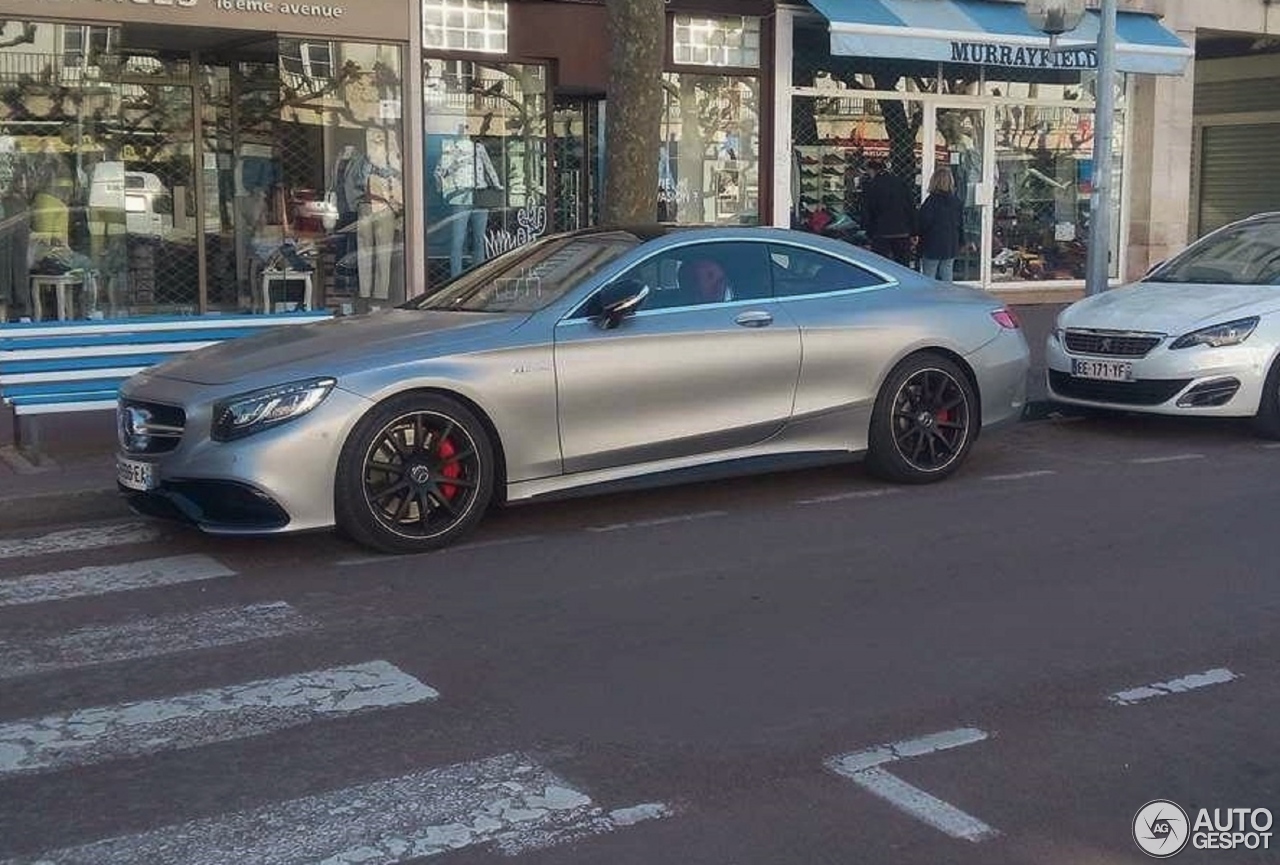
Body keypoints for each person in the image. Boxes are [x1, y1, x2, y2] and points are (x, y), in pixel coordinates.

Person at [860, 159, 915, 266]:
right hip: (902, 231)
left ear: (871, 170)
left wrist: (868, 231)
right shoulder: (900, 183)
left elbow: (867, 210)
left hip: (881, 232)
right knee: (902, 266)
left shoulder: (871, 186)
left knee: (881, 266)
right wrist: (913, 230)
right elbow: (910, 207)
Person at [915, 167, 966, 281]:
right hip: (950, 244)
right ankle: (947, 297)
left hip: (932, 244)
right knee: (947, 274)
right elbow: (960, 224)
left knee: (929, 276)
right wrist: (961, 242)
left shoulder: (930, 202)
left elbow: (923, 224)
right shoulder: (956, 202)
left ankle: (931, 298)